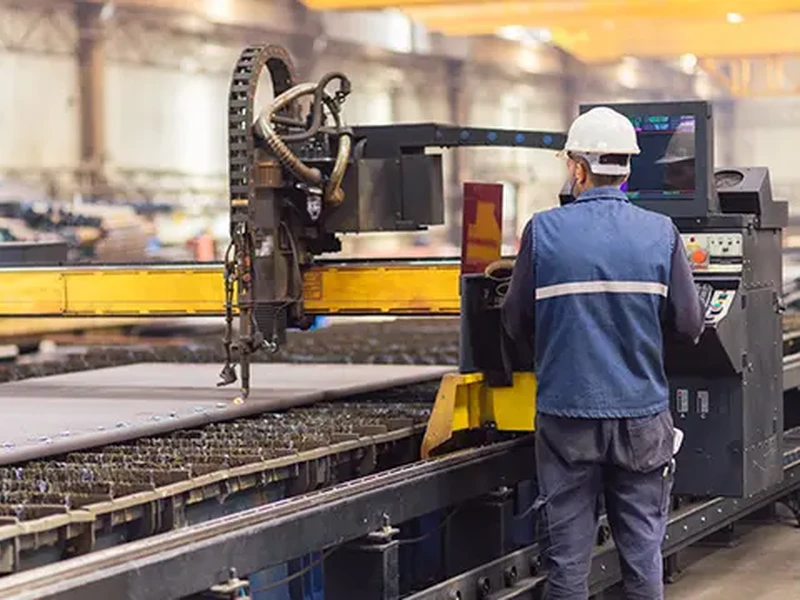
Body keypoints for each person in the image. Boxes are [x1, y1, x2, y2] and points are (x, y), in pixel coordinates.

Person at [500, 106, 704, 600]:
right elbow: (690, 324)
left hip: (566, 417)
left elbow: (512, 323)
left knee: (568, 563)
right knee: (642, 557)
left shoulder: (543, 232)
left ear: (577, 168)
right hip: (639, 419)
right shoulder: (660, 233)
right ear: (627, 168)